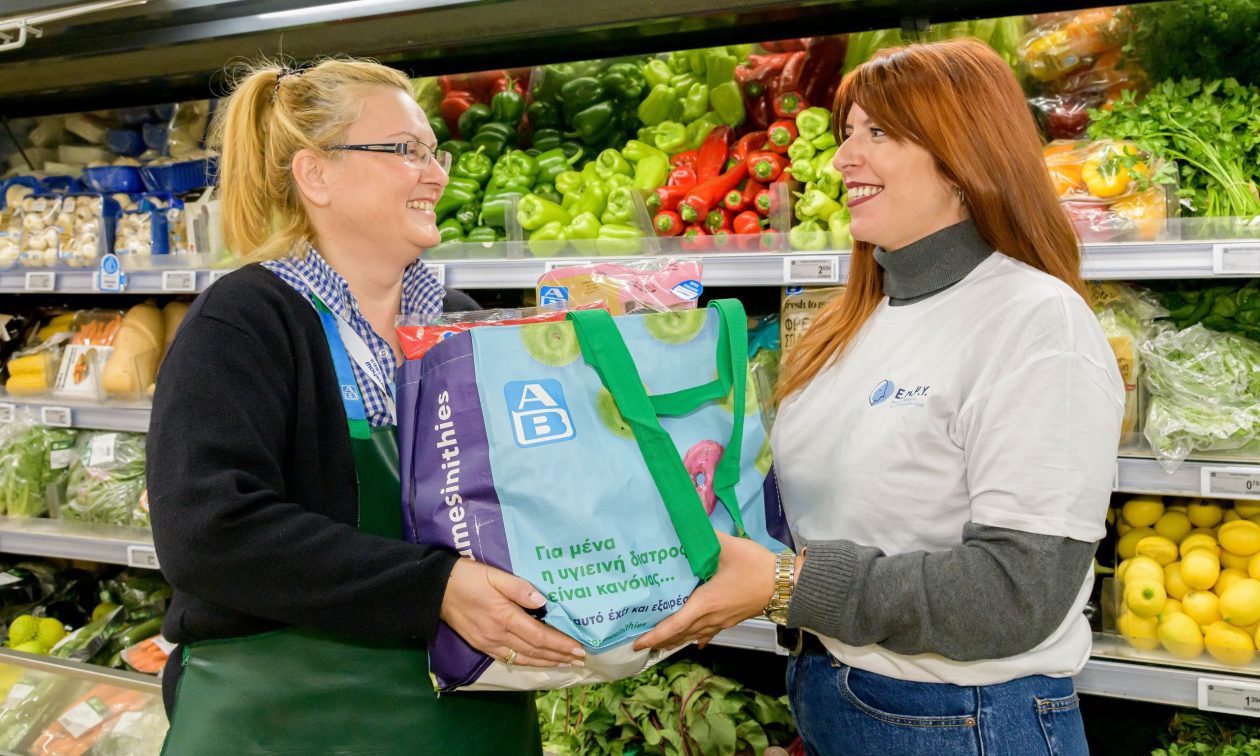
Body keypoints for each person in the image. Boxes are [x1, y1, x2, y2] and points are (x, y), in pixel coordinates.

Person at [636, 39, 1124, 755]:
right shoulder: (854, 321)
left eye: (879, 134)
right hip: (841, 700)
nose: (841, 159)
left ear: (965, 157)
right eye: (846, 134)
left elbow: (1018, 594)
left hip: (966, 723)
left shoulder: (1034, 320)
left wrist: (783, 584)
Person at [147, 58, 584, 754]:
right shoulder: (247, 320)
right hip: (286, 721)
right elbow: (209, 533)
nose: (436, 173)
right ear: (316, 174)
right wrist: (435, 588)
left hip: (467, 717)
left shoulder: (462, 322)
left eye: (434, 151)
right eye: (405, 151)